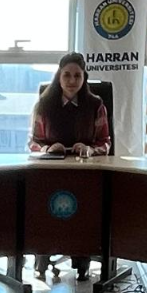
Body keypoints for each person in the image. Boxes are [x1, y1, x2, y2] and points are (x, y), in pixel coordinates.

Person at [27, 52, 111, 281]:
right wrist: (47, 149)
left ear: (84, 77)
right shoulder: (44, 104)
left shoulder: (95, 105)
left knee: (83, 211)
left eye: (77, 75)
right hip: (50, 172)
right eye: (66, 75)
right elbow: (33, 143)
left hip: (84, 172)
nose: (72, 81)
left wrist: (90, 149)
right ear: (59, 76)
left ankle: (82, 259)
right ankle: (42, 255)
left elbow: (105, 142)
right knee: (45, 210)